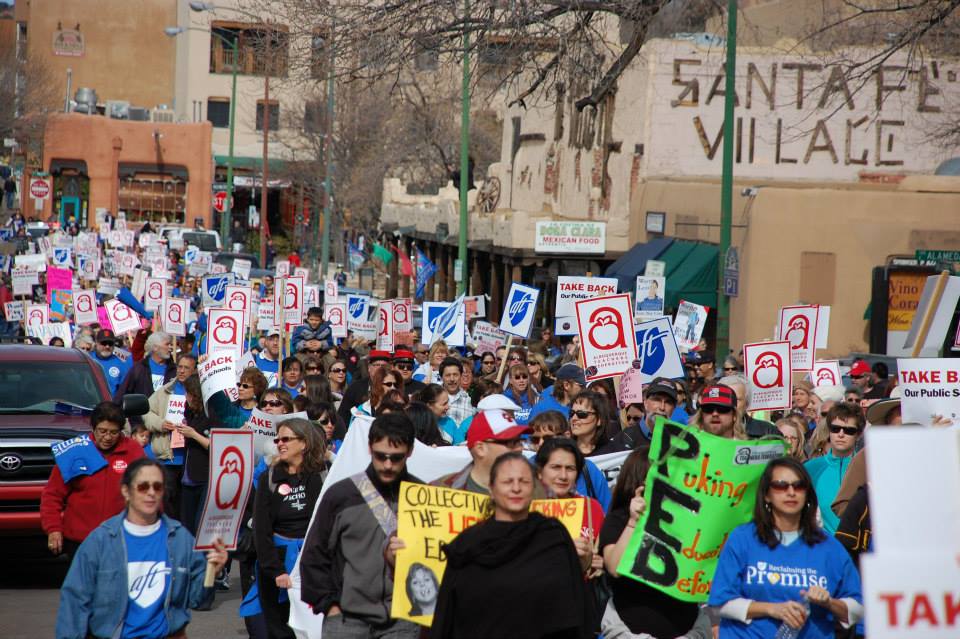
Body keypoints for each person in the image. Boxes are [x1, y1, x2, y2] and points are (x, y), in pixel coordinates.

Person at [55, 458, 228, 639]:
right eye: (143, 486)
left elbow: (198, 600)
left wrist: (213, 571)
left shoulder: (181, 538)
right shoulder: (101, 540)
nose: (151, 493)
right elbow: (74, 601)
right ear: (126, 491)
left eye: (158, 487)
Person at [430, 452, 589, 639]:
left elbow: (574, 607)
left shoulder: (552, 536)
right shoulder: (467, 545)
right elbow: (448, 615)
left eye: (524, 482)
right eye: (507, 482)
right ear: (491, 488)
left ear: (534, 487)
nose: (516, 488)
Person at [708, 457, 863, 638]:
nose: (791, 492)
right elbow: (719, 603)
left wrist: (829, 602)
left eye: (799, 486)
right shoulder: (742, 539)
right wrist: (771, 609)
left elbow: (858, 609)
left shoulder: (829, 547)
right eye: (781, 486)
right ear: (766, 494)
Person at [300, 413, 422, 639]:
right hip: (347, 620)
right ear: (369, 448)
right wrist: (330, 606)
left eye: (396, 458)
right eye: (380, 456)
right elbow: (314, 555)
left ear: (410, 451)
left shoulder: (423, 497)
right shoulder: (341, 495)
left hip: (403, 622)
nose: (387, 464)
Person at [600, 447, 711, 638]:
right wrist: (633, 522)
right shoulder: (619, 519)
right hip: (630, 630)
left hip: (686, 629)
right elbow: (615, 568)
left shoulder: (686, 520)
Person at [41, 401, 146, 558]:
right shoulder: (75, 451)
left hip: (121, 539)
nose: (108, 437)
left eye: (114, 432)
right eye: (102, 431)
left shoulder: (134, 451)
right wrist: (53, 529)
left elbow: (148, 492)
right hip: (80, 541)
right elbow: (52, 495)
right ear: (93, 428)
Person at [253, 418, 326, 639]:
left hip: (313, 560)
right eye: (278, 440)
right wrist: (276, 570)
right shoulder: (270, 477)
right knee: (280, 629)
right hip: (280, 560)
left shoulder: (321, 475)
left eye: (286, 439)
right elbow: (261, 529)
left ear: (304, 443)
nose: (280, 444)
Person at [534, 438, 604, 574]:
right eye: (556, 467)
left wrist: (597, 563)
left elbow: (603, 555)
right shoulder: (525, 508)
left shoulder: (591, 508)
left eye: (570, 468)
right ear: (540, 472)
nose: (563, 476)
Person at [142, 353, 198, 519]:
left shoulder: (200, 393)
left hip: (190, 458)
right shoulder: (166, 390)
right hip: (168, 457)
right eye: (179, 367)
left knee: (186, 506)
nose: (181, 371)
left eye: (186, 368)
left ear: (194, 371)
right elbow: (146, 411)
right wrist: (160, 423)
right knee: (168, 503)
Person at [433, 400, 529, 493]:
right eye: (510, 443)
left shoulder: (535, 489)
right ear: (480, 449)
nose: (519, 448)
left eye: (519, 441)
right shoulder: (440, 491)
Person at [527, 410, 611, 511]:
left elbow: (607, 511)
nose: (540, 443)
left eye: (547, 438)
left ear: (566, 436)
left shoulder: (588, 469)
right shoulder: (526, 470)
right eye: (535, 440)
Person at [804, 402, 863, 535]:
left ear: (858, 435)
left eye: (849, 430)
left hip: (859, 547)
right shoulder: (811, 468)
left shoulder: (866, 468)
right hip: (824, 546)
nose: (841, 434)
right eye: (835, 429)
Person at [600, 377, 676, 453]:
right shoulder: (625, 439)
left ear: (674, 408)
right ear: (645, 403)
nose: (662, 407)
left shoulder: (680, 440)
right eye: (657, 400)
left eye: (668, 402)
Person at [114, 331, 176, 405]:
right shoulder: (139, 369)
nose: (170, 348)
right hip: (141, 414)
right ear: (155, 347)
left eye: (171, 344)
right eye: (167, 344)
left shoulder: (174, 370)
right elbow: (122, 393)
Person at [439, 356, 476, 436]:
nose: (452, 379)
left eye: (455, 375)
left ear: (461, 376)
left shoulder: (470, 402)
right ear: (442, 377)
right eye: (448, 375)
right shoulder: (433, 398)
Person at [91, 328, 133, 396]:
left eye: (110, 343)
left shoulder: (123, 361)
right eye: (104, 343)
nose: (107, 346)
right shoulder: (88, 359)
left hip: (113, 405)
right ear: (96, 343)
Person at [568, 390, 608, 457]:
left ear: (599, 420)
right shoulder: (564, 451)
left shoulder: (611, 451)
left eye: (581, 414)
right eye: (571, 413)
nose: (574, 418)